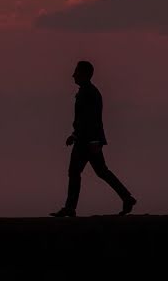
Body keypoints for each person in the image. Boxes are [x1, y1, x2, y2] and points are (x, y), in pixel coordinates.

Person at [50, 60, 136, 217]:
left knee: (76, 172)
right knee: (100, 171)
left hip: (87, 141)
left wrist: (77, 136)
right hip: (89, 140)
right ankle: (127, 198)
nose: (73, 75)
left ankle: (70, 207)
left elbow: (88, 119)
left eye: (76, 72)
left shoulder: (88, 93)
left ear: (84, 74)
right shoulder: (89, 92)